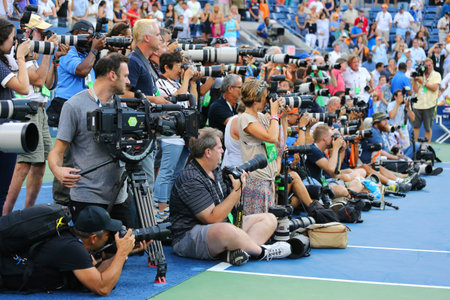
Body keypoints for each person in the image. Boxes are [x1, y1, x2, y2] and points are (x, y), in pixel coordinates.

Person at [169, 127, 292, 265]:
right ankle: (262, 252)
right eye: (220, 148)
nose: (222, 151)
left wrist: (238, 188)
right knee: (227, 230)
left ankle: (241, 252)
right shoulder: (191, 179)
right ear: (208, 152)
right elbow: (212, 218)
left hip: (219, 227)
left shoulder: (214, 171)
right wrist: (237, 190)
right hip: (188, 237)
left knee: (269, 219)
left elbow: (227, 207)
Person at [48, 53, 133, 226]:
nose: (129, 81)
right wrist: (57, 171)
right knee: (95, 252)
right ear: (112, 75)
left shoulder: (121, 106)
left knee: (132, 247)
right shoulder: (74, 105)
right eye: (125, 76)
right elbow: (57, 151)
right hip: (87, 198)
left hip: (120, 196)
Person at [2, 15, 70, 215]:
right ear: (29, 33)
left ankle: (27, 214)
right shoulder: (16, 54)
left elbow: (48, 83)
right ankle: (6, 215)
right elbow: (39, 81)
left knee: (40, 164)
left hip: (39, 108)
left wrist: (54, 57)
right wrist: (48, 53)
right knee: (23, 165)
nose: (46, 36)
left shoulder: (29, 55)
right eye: (42, 33)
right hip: (25, 110)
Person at [1, 205, 146, 295]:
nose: (109, 239)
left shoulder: (68, 235)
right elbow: (103, 288)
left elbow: (97, 273)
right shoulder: (72, 249)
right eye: (108, 235)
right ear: (93, 238)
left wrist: (126, 252)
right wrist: (121, 253)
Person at [122, 19, 170, 192]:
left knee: (148, 180)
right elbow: (123, 94)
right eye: (157, 35)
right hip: (137, 132)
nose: (161, 39)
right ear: (147, 38)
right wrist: (153, 100)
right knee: (144, 182)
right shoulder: (134, 61)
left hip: (146, 128)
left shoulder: (145, 61)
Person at [154, 52, 198, 219]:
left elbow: (191, 102)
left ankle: (170, 205)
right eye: (179, 67)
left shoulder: (177, 83)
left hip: (183, 132)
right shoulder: (160, 83)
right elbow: (176, 100)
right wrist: (186, 79)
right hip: (170, 133)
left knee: (177, 172)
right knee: (166, 171)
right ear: (166, 67)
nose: (181, 71)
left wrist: (192, 82)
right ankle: (161, 208)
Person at [239, 79, 286, 215]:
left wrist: (282, 117)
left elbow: (278, 142)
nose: (268, 100)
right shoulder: (245, 119)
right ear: (255, 99)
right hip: (255, 180)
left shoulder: (261, 117)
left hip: (268, 178)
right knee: (257, 223)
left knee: (267, 222)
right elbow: (270, 137)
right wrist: (274, 114)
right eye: (266, 97)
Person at [0, 19, 31, 212]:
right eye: (12, 38)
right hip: (3, 132)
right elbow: (24, 87)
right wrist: (20, 57)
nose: (14, 42)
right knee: (1, 191)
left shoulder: (4, 61)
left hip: (7, 130)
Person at [411, 58, 441, 143]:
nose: (428, 67)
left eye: (429, 65)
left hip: (429, 104)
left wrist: (423, 82)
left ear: (432, 66)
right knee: (416, 127)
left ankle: (426, 147)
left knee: (428, 128)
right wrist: (414, 80)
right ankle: (415, 146)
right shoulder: (420, 74)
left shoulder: (436, 74)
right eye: (426, 66)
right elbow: (415, 90)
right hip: (418, 104)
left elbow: (434, 88)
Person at [387, 89, 417, 158]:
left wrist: (408, 107)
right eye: (400, 96)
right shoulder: (391, 104)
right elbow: (391, 116)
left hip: (404, 132)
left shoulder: (406, 104)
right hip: (394, 132)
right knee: (395, 153)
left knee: (407, 151)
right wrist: (397, 104)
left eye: (402, 96)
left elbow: (412, 118)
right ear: (395, 97)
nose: (402, 98)